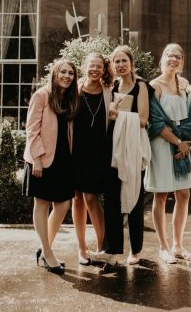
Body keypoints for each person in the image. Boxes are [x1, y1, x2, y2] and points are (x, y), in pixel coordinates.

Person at [92, 45, 152, 267]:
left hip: (132, 146)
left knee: (134, 194)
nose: (120, 65)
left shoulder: (141, 86)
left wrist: (120, 115)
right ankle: (112, 249)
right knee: (112, 198)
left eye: (124, 61)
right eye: (116, 61)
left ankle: (135, 250)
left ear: (131, 63)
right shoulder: (111, 86)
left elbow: (144, 120)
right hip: (112, 147)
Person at [23, 59, 79, 275]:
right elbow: (31, 129)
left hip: (64, 158)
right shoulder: (42, 95)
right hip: (43, 158)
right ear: (55, 74)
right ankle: (48, 251)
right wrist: (36, 157)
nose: (66, 76)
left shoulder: (70, 98)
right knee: (42, 204)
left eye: (71, 73)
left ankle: (44, 248)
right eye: (63, 72)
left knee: (63, 205)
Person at [146, 43, 191, 264]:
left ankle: (178, 245)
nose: (173, 59)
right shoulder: (154, 86)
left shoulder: (184, 86)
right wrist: (177, 142)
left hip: (182, 146)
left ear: (182, 62)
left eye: (178, 56)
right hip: (162, 143)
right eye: (169, 55)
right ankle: (163, 247)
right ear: (162, 58)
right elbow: (154, 121)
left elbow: (190, 116)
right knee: (162, 194)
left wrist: (186, 143)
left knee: (184, 194)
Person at [72, 52, 112, 266]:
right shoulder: (75, 91)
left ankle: (102, 247)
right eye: (91, 66)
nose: (95, 69)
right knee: (77, 199)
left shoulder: (109, 92)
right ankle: (81, 247)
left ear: (104, 70)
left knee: (92, 198)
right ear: (84, 66)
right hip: (76, 152)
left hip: (98, 153)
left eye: (99, 66)